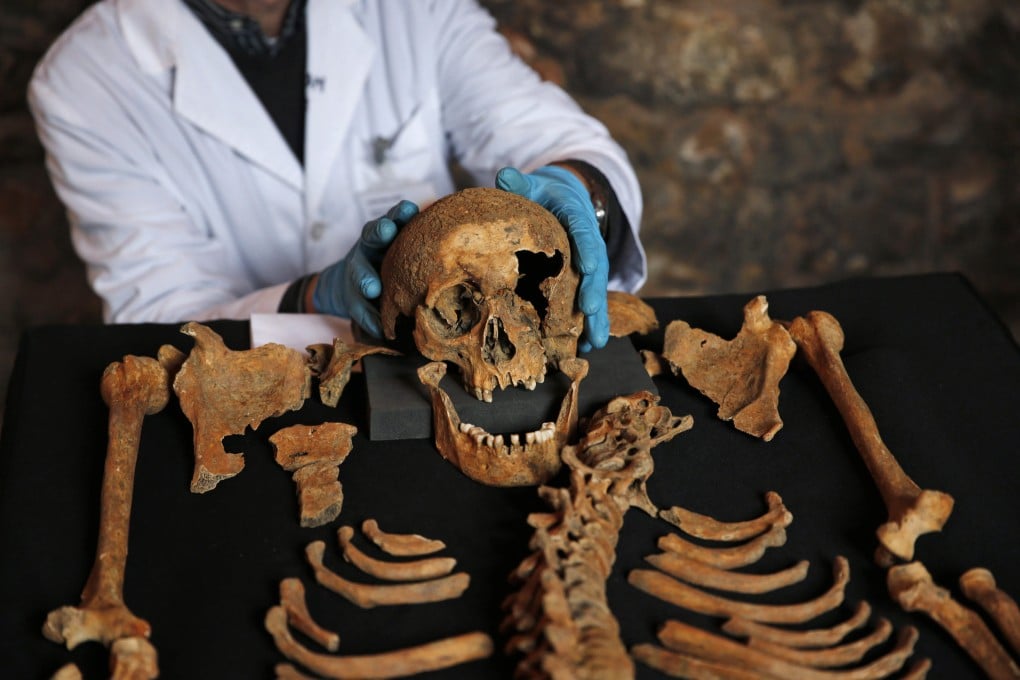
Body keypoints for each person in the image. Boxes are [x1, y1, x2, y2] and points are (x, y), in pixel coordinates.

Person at [28, 0, 646, 351]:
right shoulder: (85, 82)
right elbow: (160, 317)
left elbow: (555, 137)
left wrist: (579, 193)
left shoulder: (416, 10)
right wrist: (309, 298)